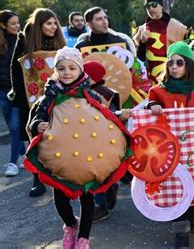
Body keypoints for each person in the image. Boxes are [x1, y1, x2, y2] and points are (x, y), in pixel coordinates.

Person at [26, 47, 131, 248]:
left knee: (87, 199)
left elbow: (104, 119)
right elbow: (37, 117)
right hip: (59, 160)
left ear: (80, 70)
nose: (67, 72)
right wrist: (37, 124)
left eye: (72, 68)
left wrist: (120, 116)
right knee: (60, 200)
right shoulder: (49, 96)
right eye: (62, 68)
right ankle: (70, 225)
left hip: (86, 159)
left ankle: (83, 238)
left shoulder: (91, 95)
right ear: (56, 70)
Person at [145, 41, 194, 248]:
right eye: (170, 63)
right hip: (169, 148)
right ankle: (181, 229)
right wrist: (153, 106)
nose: (173, 66)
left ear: (189, 65)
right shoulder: (159, 90)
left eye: (179, 62)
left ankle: (192, 215)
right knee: (174, 185)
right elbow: (150, 103)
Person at [75, 6, 132, 223]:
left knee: (114, 149)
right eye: (99, 19)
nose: (104, 21)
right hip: (86, 106)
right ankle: (102, 199)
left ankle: (116, 180)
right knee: (92, 157)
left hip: (116, 101)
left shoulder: (120, 42)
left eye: (105, 18)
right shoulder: (82, 46)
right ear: (89, 23)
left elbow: (130, 71)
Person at [9, 8, 66, 196]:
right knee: (33, 138)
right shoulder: (25, 40)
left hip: (56, 98)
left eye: (54, 23)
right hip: (30, 99)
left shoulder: (59, 42)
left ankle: (63, 175)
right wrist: (18, 94)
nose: (53, 27)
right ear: (39, 25)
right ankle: (37, 179)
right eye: (48, 23)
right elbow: (16, 69)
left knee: (58, 136)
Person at [134, 0, 187, 83]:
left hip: (172, 77)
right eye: (147, 6)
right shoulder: (143, 29)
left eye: (154, 5)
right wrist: (143, 42)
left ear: (161, 6)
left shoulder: (176, 26)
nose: (150, 8)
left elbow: (185, 53)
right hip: (151, 80)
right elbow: (140, 59)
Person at [0, 10, 25, 177]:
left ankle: (12, 163)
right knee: (11, 126)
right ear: (3, 25)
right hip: (1, 91)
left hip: (16, 90)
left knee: (16, 127)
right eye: (13, 23)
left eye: (18, 23)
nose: (17, 26)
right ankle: (24, 154)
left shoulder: (22, 40)